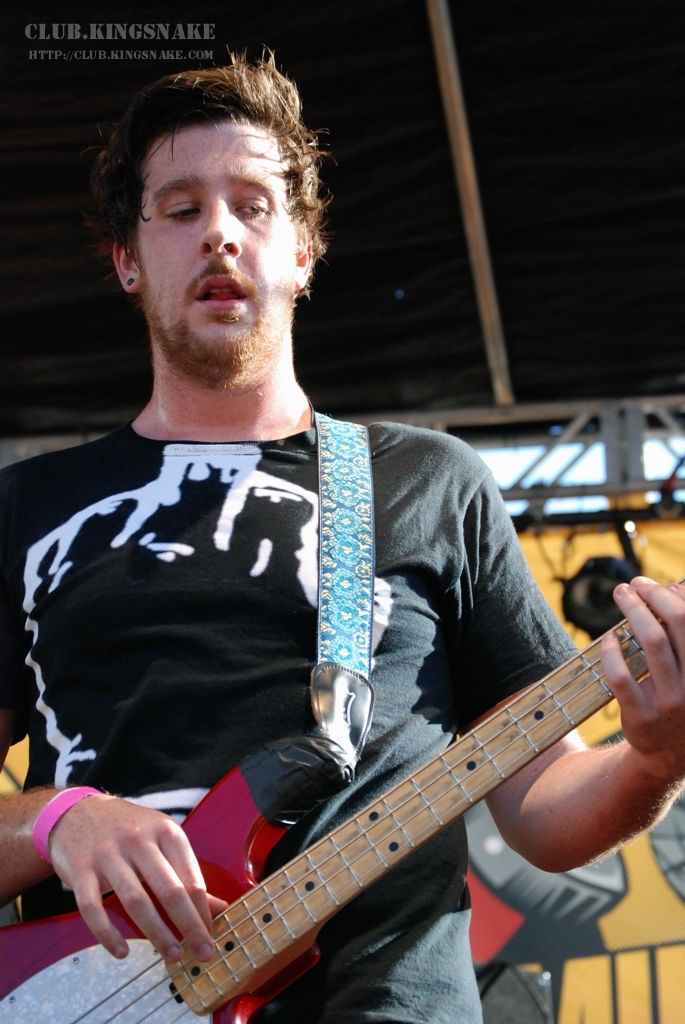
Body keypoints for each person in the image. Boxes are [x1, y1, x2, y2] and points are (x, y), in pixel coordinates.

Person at [1, 54, 685, 1024]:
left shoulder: (430, 480)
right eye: (182, 209)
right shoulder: (29, 507)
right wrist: (56, 821)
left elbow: (542, 808)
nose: (220, 233)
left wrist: (654, 760)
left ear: (303, 251)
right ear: (126, 259)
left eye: (253, 205)